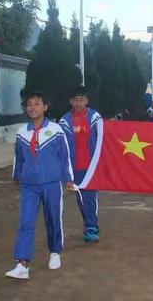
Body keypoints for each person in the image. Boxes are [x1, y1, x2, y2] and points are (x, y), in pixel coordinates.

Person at [5, 91, 74, 280]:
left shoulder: (56, 130)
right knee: (25, 222)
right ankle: (22, 264)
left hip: (51, 184)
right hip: (29, 185)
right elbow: (18, 159)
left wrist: (68, 178)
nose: (32, 108)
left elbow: (65, 156)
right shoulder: (22, 132)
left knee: (53, 218)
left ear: (45, 107)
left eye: (37, 104)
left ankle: (54, 252)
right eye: (29, 104)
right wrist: (17, 176)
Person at [59, 86, 103, 243]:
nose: (78, 103)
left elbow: (104, 138)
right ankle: (88, 224)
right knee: (80, 198)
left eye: (81, 99)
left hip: (91, 166)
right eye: (76, 100)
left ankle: (92, 226)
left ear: (87, 101)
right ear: (71, 101)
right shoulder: (64, 121)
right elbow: (60, 145)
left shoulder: (95, 117)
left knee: (90, 197)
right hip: (73, 167)